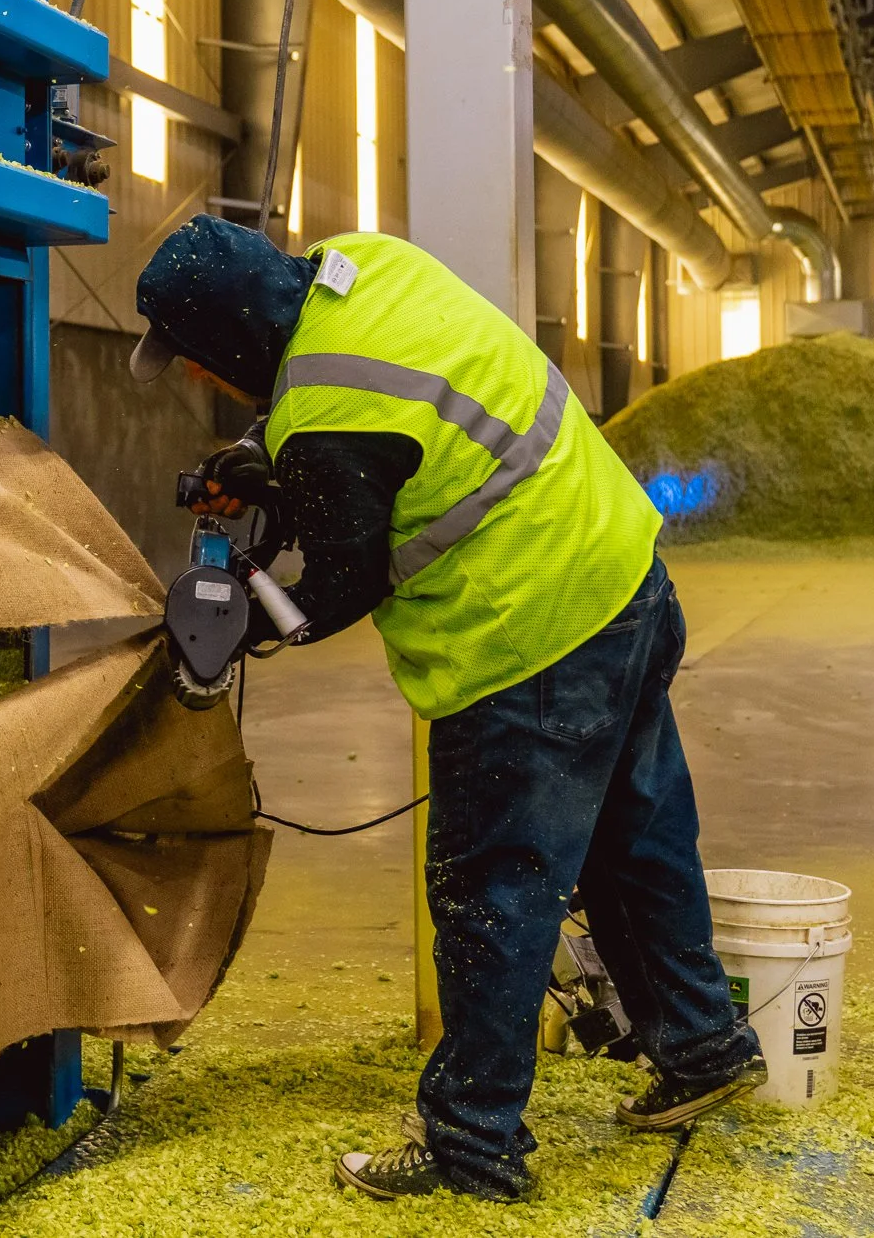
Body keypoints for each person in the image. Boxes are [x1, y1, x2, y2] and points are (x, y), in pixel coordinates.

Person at [129, 216, 763, 1204]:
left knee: (493, 887)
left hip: (532, 637)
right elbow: (384, 439)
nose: (199, 382)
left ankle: (472, 1140)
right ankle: (703, 1046)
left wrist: (239, 623)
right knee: (633, 838)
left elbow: (338, 580)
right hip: (624, 577)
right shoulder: (365, 267)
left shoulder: (326, 418)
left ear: (231, 345)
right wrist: (270, 459)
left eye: (201, 365)